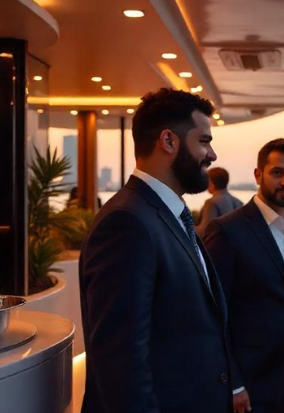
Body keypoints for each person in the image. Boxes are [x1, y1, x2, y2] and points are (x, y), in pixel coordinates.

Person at [79, 88, 234, 413]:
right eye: (204, 141)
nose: (212, 155)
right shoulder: (126, 222)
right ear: (168, 141)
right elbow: (120, 361)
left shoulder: (167, 215)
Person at [203, 138, 284, 413]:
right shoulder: (227, 231)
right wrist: (233, 382)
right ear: (258, 175)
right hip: (251, 381)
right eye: (277, 173)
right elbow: (213, 312)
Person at [195, 167, 243, 237]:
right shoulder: (238, 202)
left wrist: (186, 226)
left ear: (211, 183)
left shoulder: (212, 203)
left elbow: (204, 231)